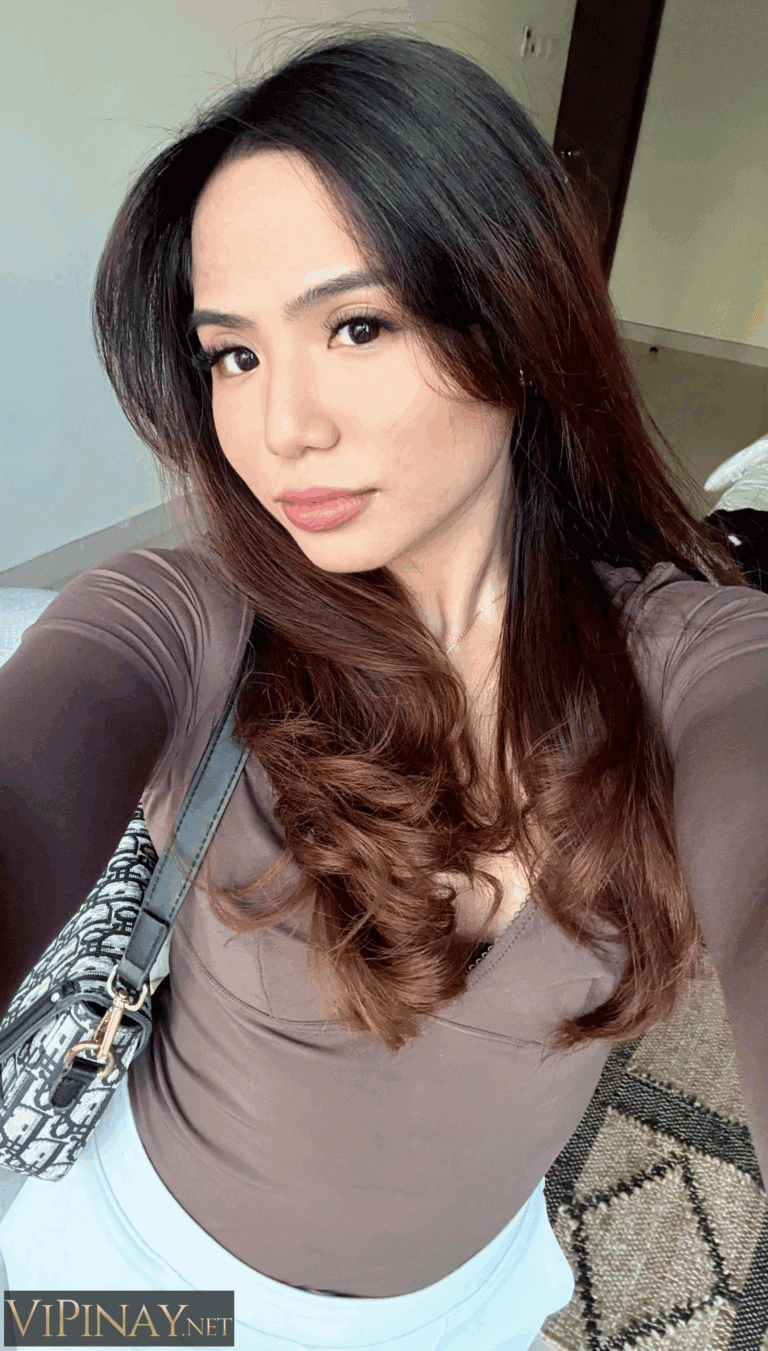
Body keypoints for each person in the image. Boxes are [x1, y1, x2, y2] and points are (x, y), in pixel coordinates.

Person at [1, 23, 767, 1351]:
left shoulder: (690, 661)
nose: (281, 427)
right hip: (135, 1287)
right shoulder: (183, 620)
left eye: (357, 325)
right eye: (233, 354)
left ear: (516, 328)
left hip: (463, 1305)